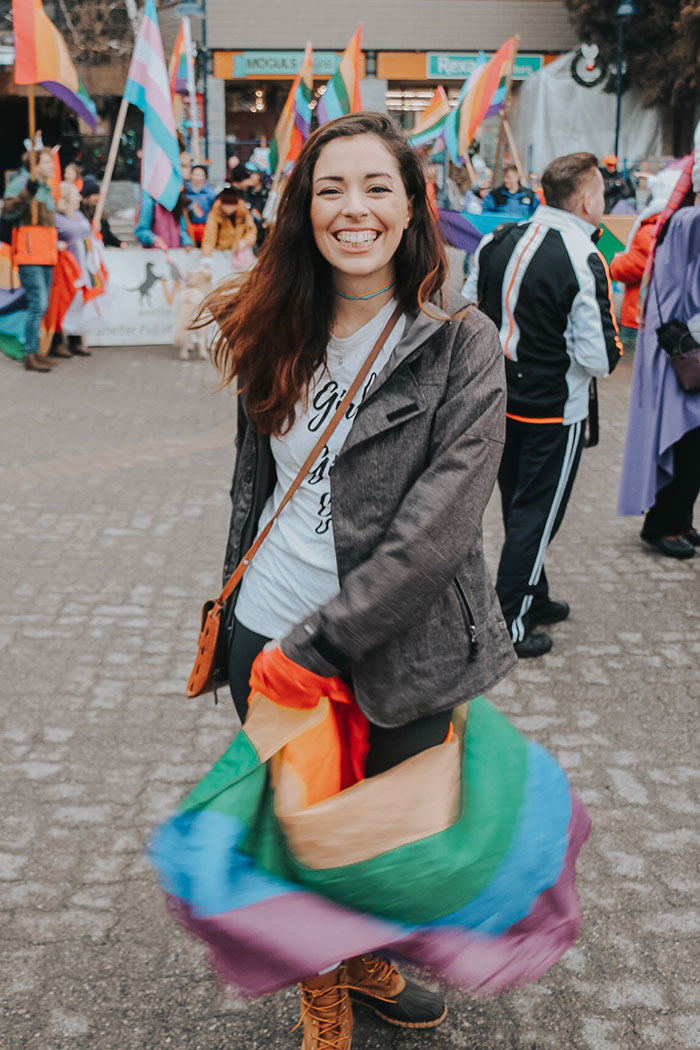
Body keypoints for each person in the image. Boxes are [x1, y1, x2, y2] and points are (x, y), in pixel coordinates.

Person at [203, 112, 516, 1048]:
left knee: (381, 844)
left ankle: (363, 950)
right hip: (268, 633)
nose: (354, 209)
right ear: (302, 208)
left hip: (393, 646)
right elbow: (251, 490)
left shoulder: (462, 344)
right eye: (330, 188)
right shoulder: (274, 321)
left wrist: (321, 647)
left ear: (412, 204)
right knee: (306, 832)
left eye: (376, 186)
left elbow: (438, 532)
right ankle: (324, 985)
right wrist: (239, 625)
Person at [463, 152, 622, 657]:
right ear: (586, 199)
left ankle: (535, 593)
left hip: (496, 400)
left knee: (522, 507)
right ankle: (507, 623)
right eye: (600, 193)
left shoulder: (496, 239)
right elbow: (598, 357)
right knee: (538, 514)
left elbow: (469, 311)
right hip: (554, 410)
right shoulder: (583, 254)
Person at [618, 143, 700, 559]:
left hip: (677, 347)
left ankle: (677, 518)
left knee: (690, 440)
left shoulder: (680, 220)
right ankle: (663, 524)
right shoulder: (689, 221)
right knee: (686, 438)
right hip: (684, 352)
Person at [2, 147, 63, 372]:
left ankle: (35, 350)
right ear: (35, 164)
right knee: (38, 304)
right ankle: (30, 354)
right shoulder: (21, 182)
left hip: (46, 255)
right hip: (30, 255)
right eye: (47, 163)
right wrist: (29, 191)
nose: (51, 166)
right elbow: (7, 211)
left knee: (40, 306)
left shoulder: (47, 189)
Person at [609, 167, 680, 350]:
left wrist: (616, 262)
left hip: (637, 313)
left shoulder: (651, 229)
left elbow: (636, 265)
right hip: (659, 311)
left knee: (632, 364)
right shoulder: (673, 227)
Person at [52, 181, 96, 358]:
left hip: (82, 266)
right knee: (62, 303)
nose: (79, 197)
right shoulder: (56, 217)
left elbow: (87, 233)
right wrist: (56, 244)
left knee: (78, 302)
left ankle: (75, 340)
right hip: (64, 268)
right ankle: (56, 342)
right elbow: (51, 237)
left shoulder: (79, 215)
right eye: (75, 194)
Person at [200, 184, 257, 267]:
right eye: (226, 205)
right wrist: (206, 256)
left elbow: (251, 230)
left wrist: (244, 242)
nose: (228, 209)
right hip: (220, 252)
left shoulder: (243, 213)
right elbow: (209, 236)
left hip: (239, 252)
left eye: (232, 205)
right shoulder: (215, 214)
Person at [80, 174, 125, 249]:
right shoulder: (80, 212)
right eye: (94, 195)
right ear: (87, 196)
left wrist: (119, 243)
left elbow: (106, 233)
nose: (97, 198)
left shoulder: (100, 211)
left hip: (100, 249)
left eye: (98, 195)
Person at [184, 163, 216, 245]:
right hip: (188, 228)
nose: (197, 177)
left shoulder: (210, 193)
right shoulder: (184, 191)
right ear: (191, 175)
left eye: (200, 175)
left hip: (205, 228)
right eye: (195, 174)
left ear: (205, 178)